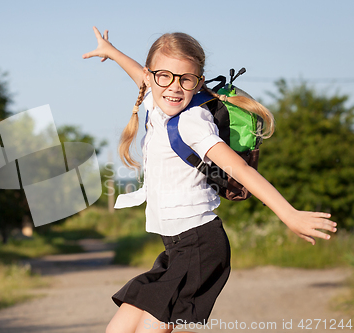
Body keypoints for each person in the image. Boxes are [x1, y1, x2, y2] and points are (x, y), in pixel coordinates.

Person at [83, 27, 337, 333]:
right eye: (164, 76)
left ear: (198, 83)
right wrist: (111, 52)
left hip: (200, 246)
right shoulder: (156, 101)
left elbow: (241, 171)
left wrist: (289, 214)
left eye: (185, 79)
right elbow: (139, 74)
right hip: (176, 247)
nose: (174, 87)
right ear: (152, 77)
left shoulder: (193, 123)